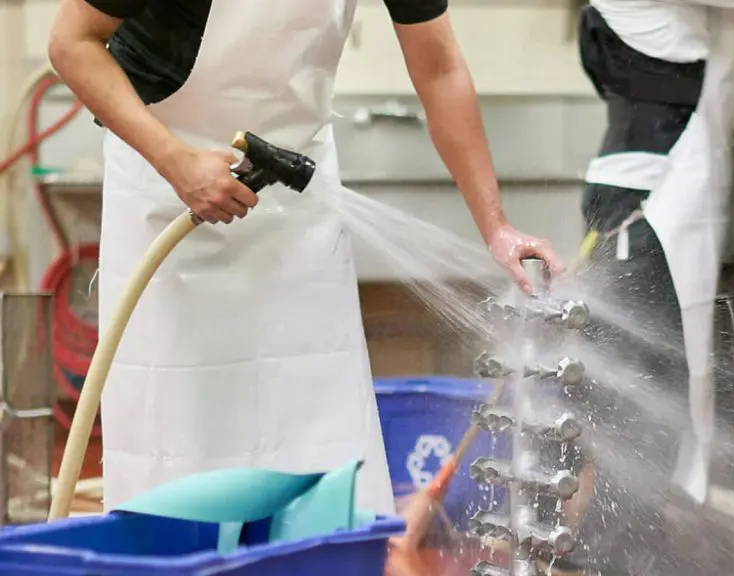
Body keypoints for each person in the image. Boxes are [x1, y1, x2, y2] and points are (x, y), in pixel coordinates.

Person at [47, 0, 564, 514]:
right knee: (182, 439)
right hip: (164, 183)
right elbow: (72, 43)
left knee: (318, 430)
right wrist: (176, 162)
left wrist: (496, 227)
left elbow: (439, 68)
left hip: (296, 196)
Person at [564, 1, 734, 574]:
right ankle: (619, 553)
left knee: (634, 379)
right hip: (648, 201)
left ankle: (624, 541)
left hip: (633, 191)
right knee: (643, 386)